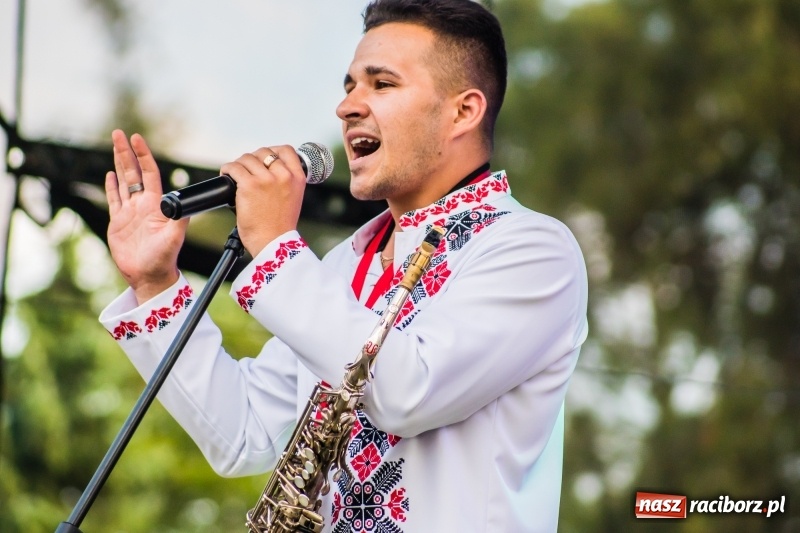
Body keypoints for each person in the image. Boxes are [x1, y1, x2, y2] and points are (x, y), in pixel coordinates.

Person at [99, 0, 588, 531]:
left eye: (381, 85)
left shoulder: (532, 251)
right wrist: (155, 283)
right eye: (350, 85)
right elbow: (245, 432)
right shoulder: (346, 265)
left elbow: (406, 392)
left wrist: (275, 247)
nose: (348, 106)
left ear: (463, 112)